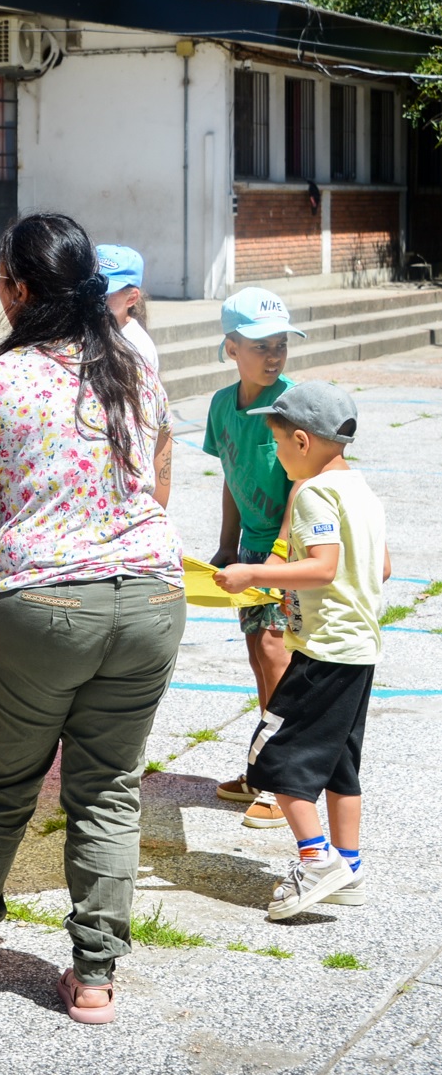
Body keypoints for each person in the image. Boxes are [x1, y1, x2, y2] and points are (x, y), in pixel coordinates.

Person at [0, 214, 184, 1025]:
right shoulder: (134, 370)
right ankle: (94, 975)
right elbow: (156, 495)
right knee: (108, 793)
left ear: (18, 290)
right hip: (152, 596)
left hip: (42, 603)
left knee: (2, 790)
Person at [213, 381, 387, 920]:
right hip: (358, 648)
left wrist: (254, 572)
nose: (277, 454)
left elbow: (324, 566)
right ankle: (349, 868)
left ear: (304, 441)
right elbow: (378, 569)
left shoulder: (314, 493)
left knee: (276, 759)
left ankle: (315, 862)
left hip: (323, 650)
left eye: (278, 443)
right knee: (339, 764)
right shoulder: (362, 489)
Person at [205, 287, 306, 828]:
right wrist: (226, 543)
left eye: (281, 345)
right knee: (258, 656)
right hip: (248, 549)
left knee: (277, 656)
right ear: (230, 348)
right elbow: (230, 475)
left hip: (283, 551)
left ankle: (282, 778)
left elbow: (301, 481)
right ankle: (263, 764)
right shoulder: (222, 406)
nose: (273, 356)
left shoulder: (292, 404)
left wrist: (283, 549)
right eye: (261, 345)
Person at [95, 245, 160, 374]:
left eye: (105, 294)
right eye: (92, 288)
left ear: (131, 298)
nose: (95, 297)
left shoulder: (137, 347)